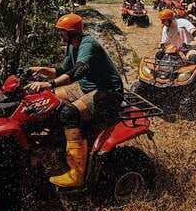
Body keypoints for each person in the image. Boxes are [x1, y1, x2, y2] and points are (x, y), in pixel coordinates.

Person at [27, 13, 124, 188]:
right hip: (86, 86)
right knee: (46, 101)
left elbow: (78, 70)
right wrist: (41, 70)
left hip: (108, 91)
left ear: (72, 33)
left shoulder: (88, 44)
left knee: (69, 112)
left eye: (62, 32)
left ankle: (76, 174)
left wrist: (50, 83)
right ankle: (56, 142)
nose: (60, 35)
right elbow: (63, 70)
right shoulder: (72, 46)